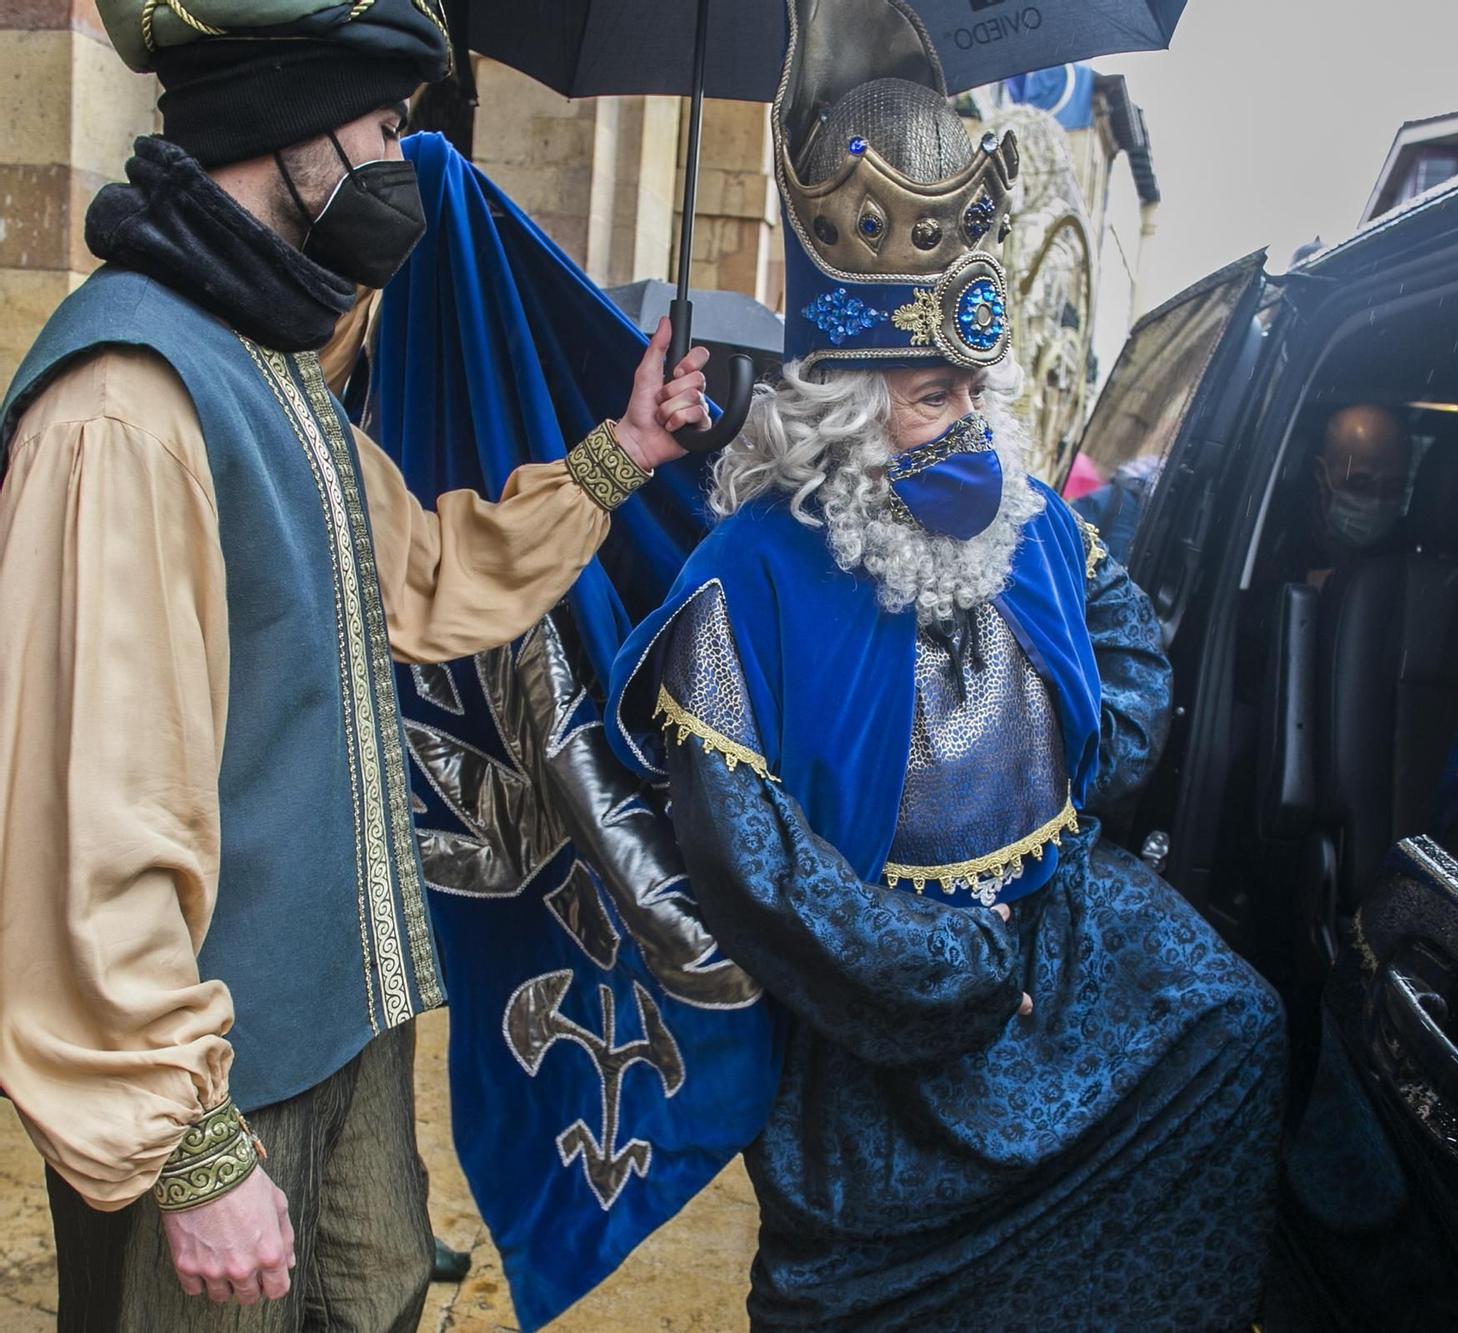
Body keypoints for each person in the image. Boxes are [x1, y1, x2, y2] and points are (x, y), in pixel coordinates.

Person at [0, 3, 711, 1325]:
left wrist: (622, 454)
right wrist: (192, 1147)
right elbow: (88, 829)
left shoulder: (270, 369)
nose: (405, 154)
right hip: (221, 1081)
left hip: (350, 1021)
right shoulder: (124, 404)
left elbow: (422, 575)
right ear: (292, 114)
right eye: (385, 124)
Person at [604, 1, 1287, 1327]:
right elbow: (751, 866)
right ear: (846, 413)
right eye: (933, 398)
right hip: (879, 1027)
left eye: (978, 391)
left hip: (1055, 941)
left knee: (1233, 1030)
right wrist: (940, 966)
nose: (970, 427)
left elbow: (1132, 651)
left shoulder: (1034, 521)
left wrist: (1081, 803)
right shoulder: (742, 583)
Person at [1307, 402, 1413, 585]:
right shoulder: (1271, 545)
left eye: (1392, 487)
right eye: (1360, 485)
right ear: (1321, 474)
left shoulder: (1411, 566)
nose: (1377, 502)